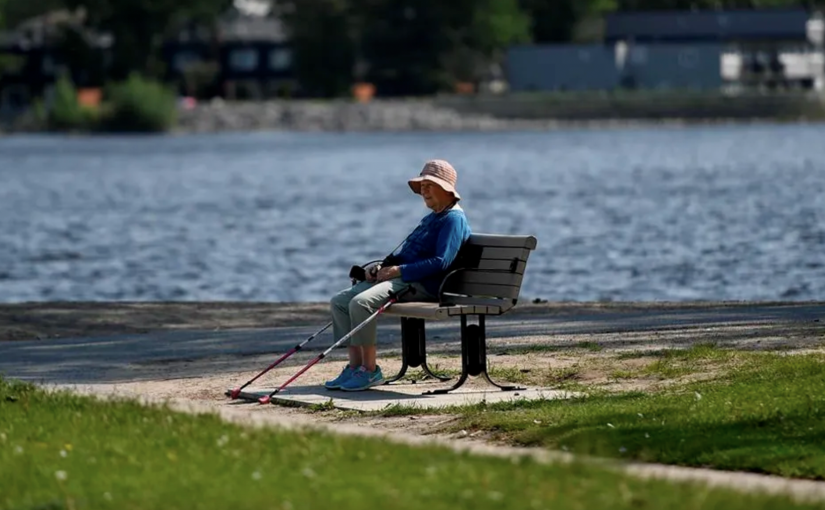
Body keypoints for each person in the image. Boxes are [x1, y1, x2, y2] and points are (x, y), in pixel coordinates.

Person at [325, 159, 472, 391]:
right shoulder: (433, 217)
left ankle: (370, 371)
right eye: (422, 185)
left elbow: (441, 261)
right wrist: (382, 268)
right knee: (341, 302)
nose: (423, 190)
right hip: (404, 279)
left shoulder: (453, 219)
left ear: (446, 189)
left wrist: (399, 271)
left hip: (424, 285)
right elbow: (410, 254)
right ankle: (354, 367)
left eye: (429, 185)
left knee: (361, 303)